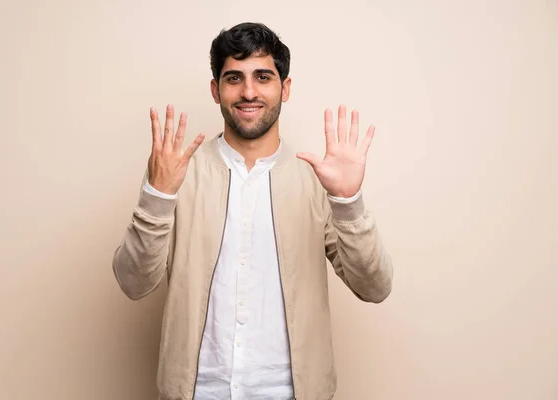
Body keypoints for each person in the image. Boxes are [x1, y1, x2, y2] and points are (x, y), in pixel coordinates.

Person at [112, 21, 393, 400]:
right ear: (216, 90)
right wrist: (157, 196)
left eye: (263, 76)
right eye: (233, 78)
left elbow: (374, 287)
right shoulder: (177, 173)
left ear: (285, 88)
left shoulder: (316, 180)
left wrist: (348, 201)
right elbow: (132, 282)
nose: (248, 92)